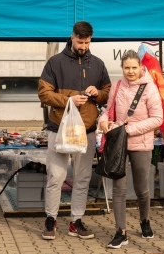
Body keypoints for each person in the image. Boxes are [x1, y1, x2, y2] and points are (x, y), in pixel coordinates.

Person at [38, 21, 111, 240]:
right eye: (80, 42)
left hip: (87, 130)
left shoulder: (98, 64)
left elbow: (108, 93)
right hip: (58, 129)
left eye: (87, 42)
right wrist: (67, 100)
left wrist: (97, 93)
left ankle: (76, 221)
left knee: (82, 178)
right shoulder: (55, 62)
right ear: (72, 37)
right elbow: (43, 93)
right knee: (56, 176)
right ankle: (51, 219)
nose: (84, 46)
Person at [98, 50, 162, 248]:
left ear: (141, 67)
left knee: (142, 189)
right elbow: (108, 111)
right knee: (119, 189)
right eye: (127, 67)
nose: (131, 71)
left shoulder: (150, 88)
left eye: (134, 67)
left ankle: (144, 220)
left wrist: (129, 130)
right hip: (118, 143)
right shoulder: (116, 85)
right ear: (122, 68)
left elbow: (157, 119)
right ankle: (121, 232)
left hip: (141, 144)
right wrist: (103, 122)